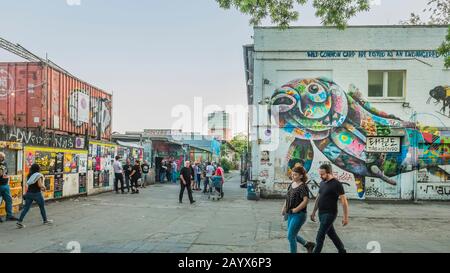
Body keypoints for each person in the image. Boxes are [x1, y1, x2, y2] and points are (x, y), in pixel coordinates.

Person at [311, 164, 349, 253]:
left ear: (329, 172)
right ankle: (342, 250)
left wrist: (345, 217)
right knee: (332, 234)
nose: (320, 176)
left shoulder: (337, 184)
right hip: (321, 213)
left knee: (320, 236)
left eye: (322, 174)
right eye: (320, 174)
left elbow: (344, 201)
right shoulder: (322, 182)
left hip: (330, 214)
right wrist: (313, 212)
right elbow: (318, 198)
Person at [281, 166, 315, 253]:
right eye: (292, 174)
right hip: (290, 213)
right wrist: (284, 207)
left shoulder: (303, 186)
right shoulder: (291, 184)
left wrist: (296, 209)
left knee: (290, 236)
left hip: (299, 215)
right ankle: (308, 244)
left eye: (295, 175)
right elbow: (287, 197)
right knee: (292, 235)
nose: (293, 176)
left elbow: (306, 201)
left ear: (301, 176)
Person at [16, 164, 53, 228]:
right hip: (37, 194)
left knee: (26, 208)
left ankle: (19, 221)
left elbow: (29, 184)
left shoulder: (29, 175)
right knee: (42, 207)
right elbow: (39, 185)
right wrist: (44, 187)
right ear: (38, 169)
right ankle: (45, 220)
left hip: (29, 193)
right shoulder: (39, 175)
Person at [0, 152, 19, 222]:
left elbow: (5, 173)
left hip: (5, 185)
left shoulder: (4, 164)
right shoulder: (2, 165)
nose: (2, 158)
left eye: (3, 157)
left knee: (9, 200)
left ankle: (9, 216)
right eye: (1, 157)